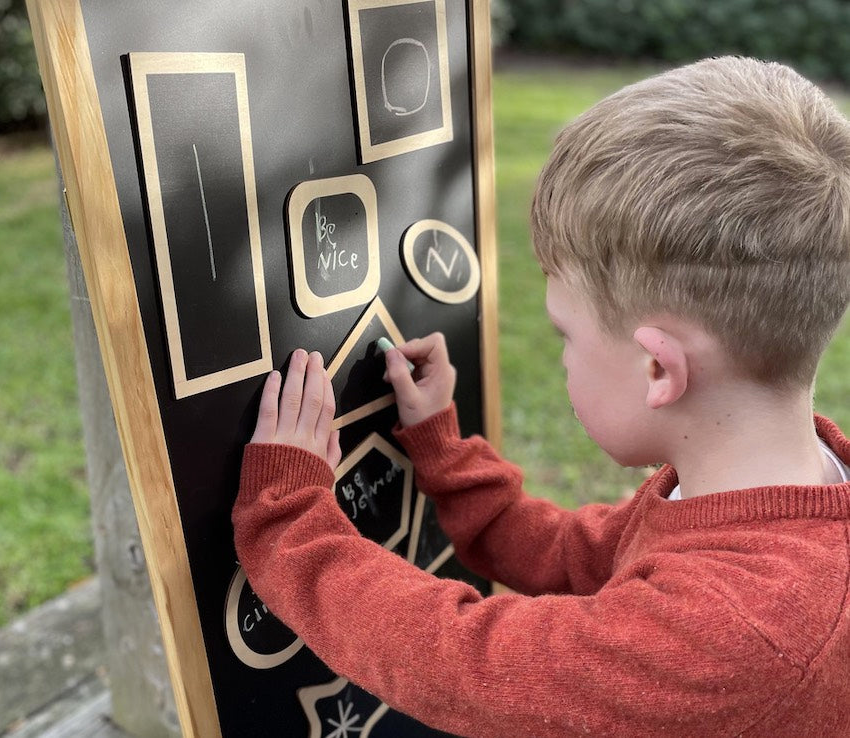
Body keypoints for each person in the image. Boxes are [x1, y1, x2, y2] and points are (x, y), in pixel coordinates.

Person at [232, 56, 850, 736]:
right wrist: (442, 449)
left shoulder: (737, 632)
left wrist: (287, 519)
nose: (561, 356)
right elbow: (571, 556)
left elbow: (463, 663)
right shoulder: (758, 491)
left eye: (566, 335)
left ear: (657, 368)